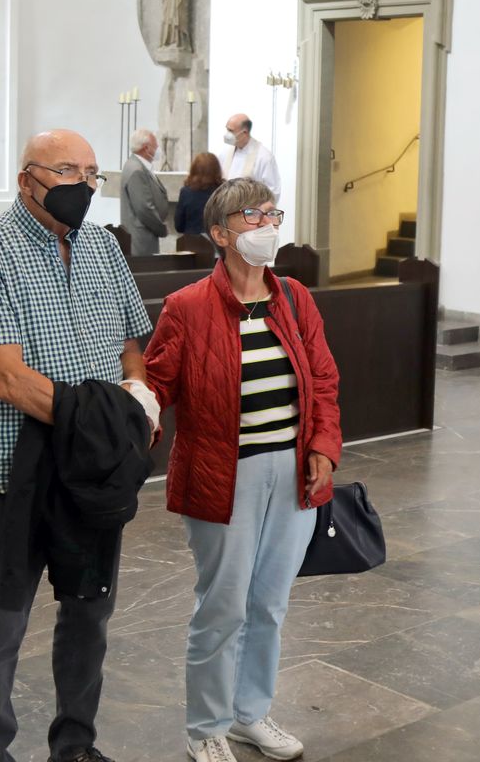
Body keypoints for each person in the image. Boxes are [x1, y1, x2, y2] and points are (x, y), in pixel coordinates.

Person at [0, 129, 161, 762]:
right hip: (16, 470)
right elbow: (9, 378)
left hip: (92, 473)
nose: (83, 186)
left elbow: (133, 343)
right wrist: (106, 423)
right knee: (1, 623)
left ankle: (75, 743)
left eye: (92, 174)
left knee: (89, 614)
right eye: (67, 171)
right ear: (28, 180)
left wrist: (139, 397)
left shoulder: (103, 247)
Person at [143, 178, 341, 762]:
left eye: (272, 213)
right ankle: (207, 726)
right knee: (223, 606)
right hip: (221, 476)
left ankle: (250, 714)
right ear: (220, 233)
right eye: (252, 216)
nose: (266, 225)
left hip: (292, 473)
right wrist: (125, 426)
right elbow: (156, 387)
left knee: (270, 603)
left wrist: (323, 448)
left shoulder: (295, 298)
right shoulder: (188, 308)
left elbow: (324, 380)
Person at [121, 128, 170, 256]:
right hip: (141, 238)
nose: (158, 148)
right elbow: (144, 208)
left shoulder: (138, 165)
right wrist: (161, 228)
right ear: (146, 148)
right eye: (156, 145)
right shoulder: (137, 169)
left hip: (144, 235)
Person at [221, 113, 282, 201]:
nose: (227, 134)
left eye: (231, 131)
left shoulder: (264, 157)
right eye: (227, 130)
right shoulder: (225, 154)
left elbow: (273, 192)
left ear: (245, 132)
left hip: (251, 211)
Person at [175, 152, 223, 235]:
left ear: (193, 170)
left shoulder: (186, 192)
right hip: (217, 243)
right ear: (217, 170)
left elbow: (179, 226)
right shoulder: (223, 192)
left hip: (190, 243)